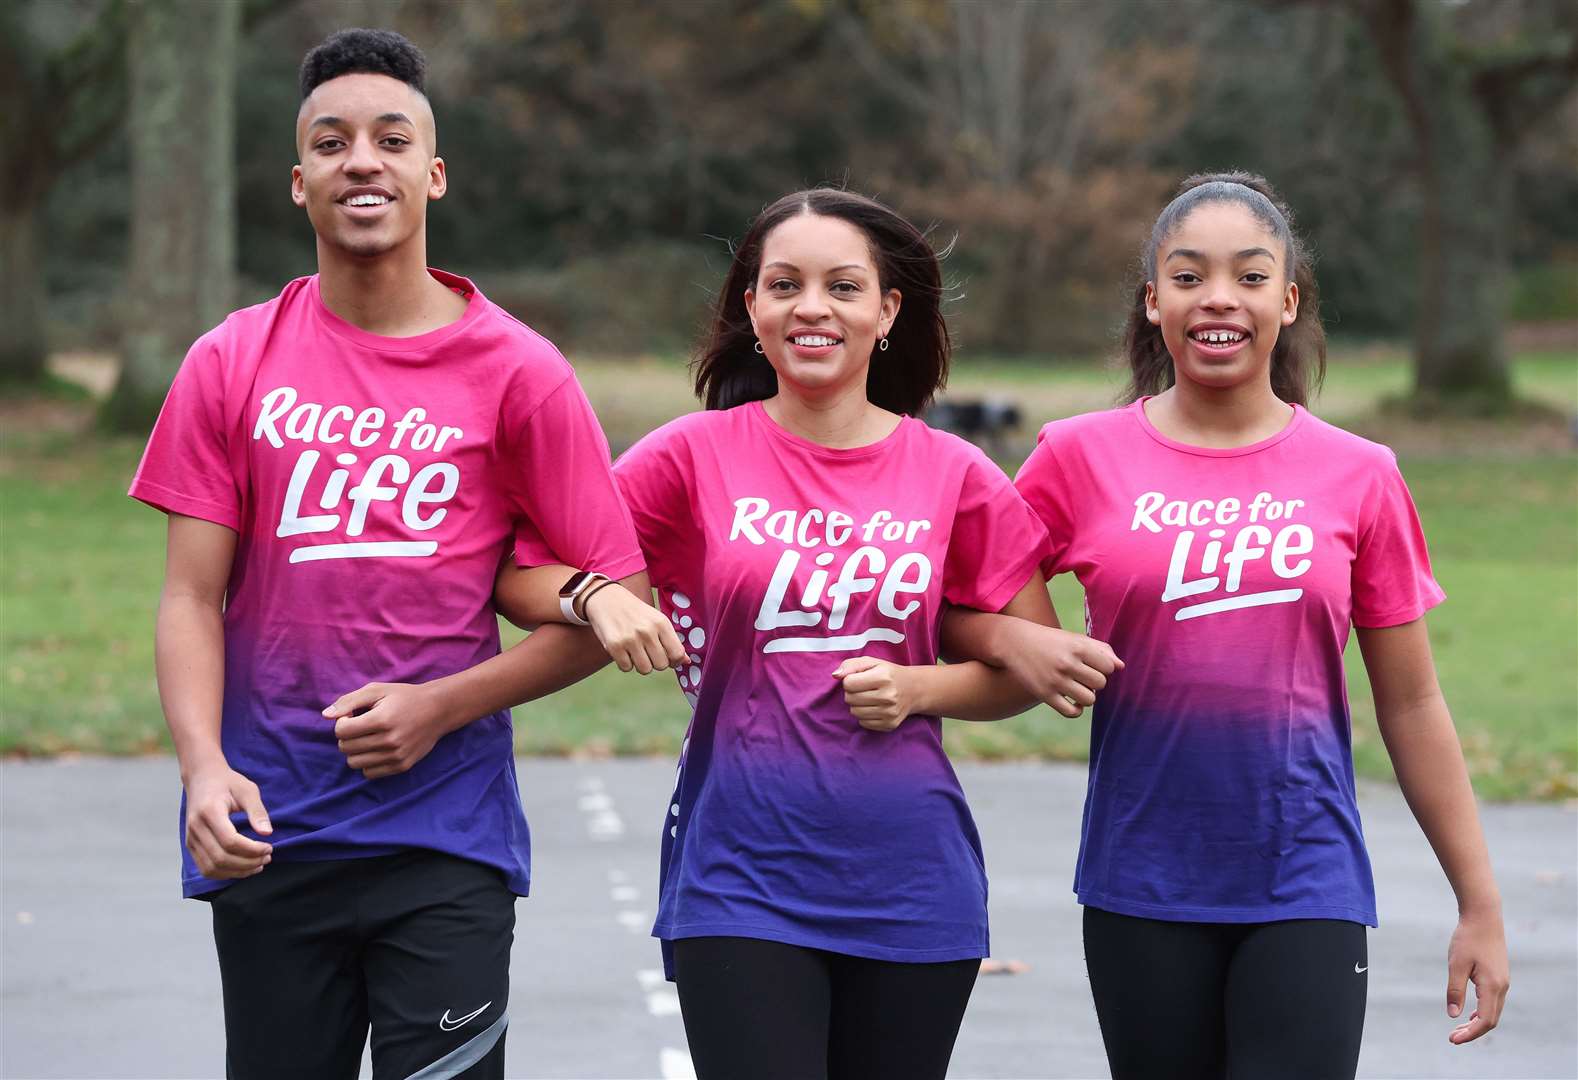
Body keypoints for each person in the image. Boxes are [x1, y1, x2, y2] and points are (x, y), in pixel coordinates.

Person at [129, 28, 658, 1079]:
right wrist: (201, 770)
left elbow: (614, 607)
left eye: (390, 138)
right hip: (272, 829)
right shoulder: (231, 360)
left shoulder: (522, 373)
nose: (361, 160)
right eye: (331, 143)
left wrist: (442, 706)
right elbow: (191, 599)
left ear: (434, 173)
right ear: (298, 182)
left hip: (444, 841)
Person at [500, 187, 1122, 1080]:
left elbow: (1026, 666)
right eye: (784, 285)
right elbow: (524, 575)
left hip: (913, 883)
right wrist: (598, 596)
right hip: (739, 878)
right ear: (753, 309)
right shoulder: (689, 457)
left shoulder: (957, 474)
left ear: (886, 310)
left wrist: (920, 688)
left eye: (842, 286)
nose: (812, 307)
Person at [951, 172, 1511, 1080]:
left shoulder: (1361, 473)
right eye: (1188, 275)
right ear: (1153, 301)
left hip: (1307, 879)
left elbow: (1411, 703)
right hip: (1142, 881)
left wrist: (1479, 902)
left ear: (1287, 303)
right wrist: (1021, 640)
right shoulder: (1076, 456)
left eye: (1250, 277)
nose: (1219, 298)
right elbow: (961, 605)